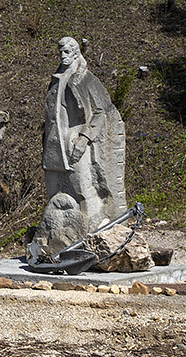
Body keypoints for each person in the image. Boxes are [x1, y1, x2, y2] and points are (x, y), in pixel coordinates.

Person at [40, 37, 126, 246]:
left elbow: (101, 111)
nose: (63, 56)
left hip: (76, 142)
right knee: (54, 190)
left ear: (77, 53)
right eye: (60, 52)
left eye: (67, 52)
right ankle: (55, 237)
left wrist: (85, 138)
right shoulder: (56, 79)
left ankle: (91, 234)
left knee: (82, 189)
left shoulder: (86, 79)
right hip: (54, 145)